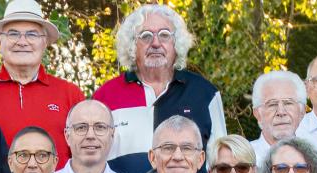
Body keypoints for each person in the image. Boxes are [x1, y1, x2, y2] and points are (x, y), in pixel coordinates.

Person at [90, 4, 228, 162]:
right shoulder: (106, 96)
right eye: (146, 36)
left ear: (176, 43)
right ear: (132, 45)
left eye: (164, 35)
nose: (155, 43)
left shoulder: (204, 93)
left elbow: (220, 161)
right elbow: (91, 159)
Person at [0, 0, 84, 157]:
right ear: (0, 41)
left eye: (32, 34)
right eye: (13, 34)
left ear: (44, 43)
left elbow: (83, 155)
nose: (22, 42)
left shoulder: (71, 95)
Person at [52, 100, 134, 173]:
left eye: (100, 127)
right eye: (81, 127)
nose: (90, 135)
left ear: (112, 135)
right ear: (67, 136)